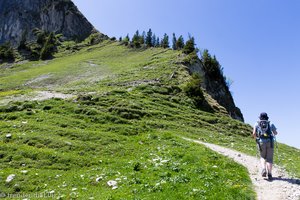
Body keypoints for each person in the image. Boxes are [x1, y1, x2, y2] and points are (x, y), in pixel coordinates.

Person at [252, 112, 278, 180]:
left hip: (261, 142)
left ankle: (263, 169)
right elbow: (275, 133)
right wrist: (272, 133)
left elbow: (254, 133)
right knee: (269, 159)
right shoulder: (270, 123)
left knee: (262, 157)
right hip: (270, 142)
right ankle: (269, 173)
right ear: (267, 117)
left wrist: (256, 138)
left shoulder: (256, 124)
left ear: (260, 117)